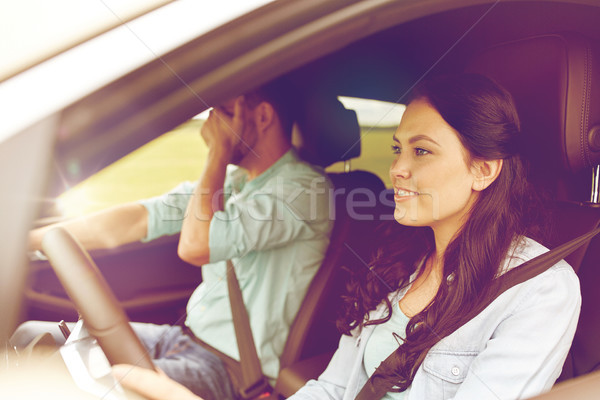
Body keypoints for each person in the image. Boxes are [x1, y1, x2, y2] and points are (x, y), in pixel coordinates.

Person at [111, 73, 581, 400]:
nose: (397, 167)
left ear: (483, 169)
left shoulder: (539, 291)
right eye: (398, 149)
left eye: (422, 151)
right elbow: (333, 389)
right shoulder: (402, 265)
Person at [13, 80, 334, 400]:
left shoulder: (304, 191)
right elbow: (138, 219)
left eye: (224, 112)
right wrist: (22, 241)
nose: (211, 124)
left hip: (233, 371)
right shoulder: (238, 181)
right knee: (29, 338)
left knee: (62, 381)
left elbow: (196, 246)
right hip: (183, 338)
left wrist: (218, 151)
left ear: (263, 117)